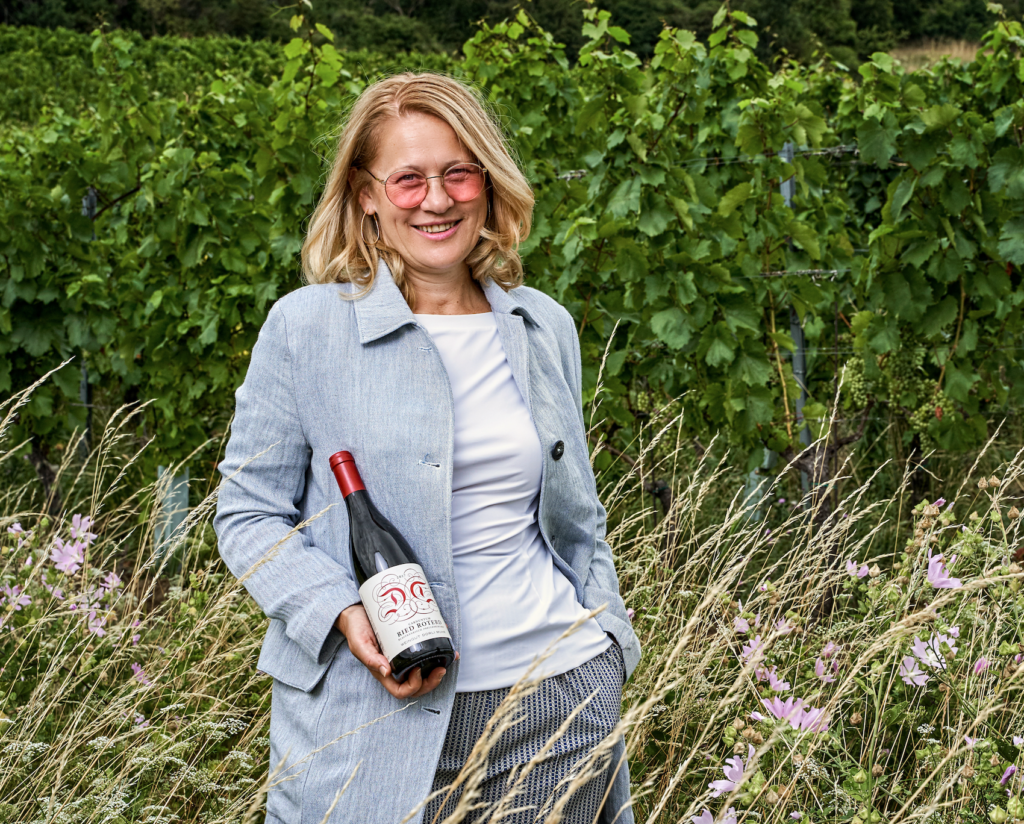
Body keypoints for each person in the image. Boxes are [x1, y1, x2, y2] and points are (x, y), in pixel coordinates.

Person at [214, 71, 641, 824]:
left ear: (487, 181)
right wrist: (342, 611)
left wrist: (610, 641)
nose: (438, 200)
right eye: (408, 179)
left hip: (557, 710)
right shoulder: (307, 328)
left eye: (457, 173)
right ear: (366, 193)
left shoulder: (545, 327)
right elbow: (248, 516)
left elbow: (578, 521)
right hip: (368, 723)